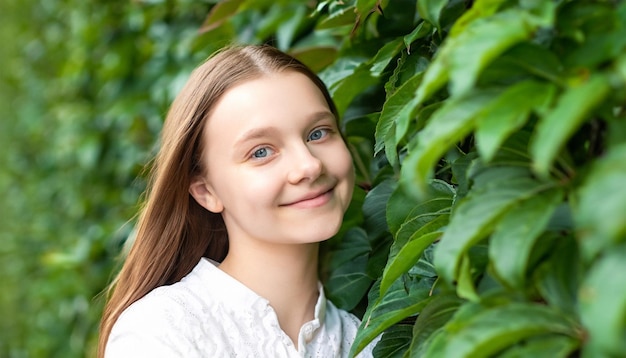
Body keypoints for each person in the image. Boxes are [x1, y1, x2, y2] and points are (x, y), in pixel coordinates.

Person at [98, 45, 377, 357]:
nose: (309, 166)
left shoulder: (372, 344)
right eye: (260, 151)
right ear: (206, 191)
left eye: (317, 133)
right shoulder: (160, 331)